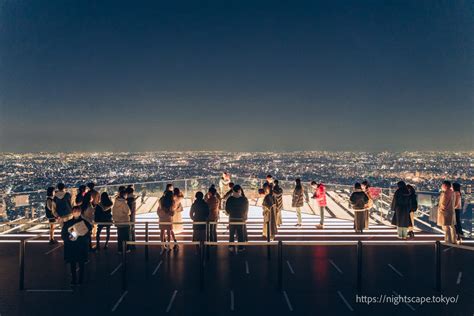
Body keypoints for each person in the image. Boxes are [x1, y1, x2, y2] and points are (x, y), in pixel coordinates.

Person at [61, 206, 92, 286]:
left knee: (76, 264)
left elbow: (64, 235)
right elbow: (88, 234)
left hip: (74, 246)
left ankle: (76, 280)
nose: (76, 212)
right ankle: (76, 280)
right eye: (75, 211)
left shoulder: (68, 223)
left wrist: (69, 238)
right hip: (79, 246)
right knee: (76, 264)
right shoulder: (85, 222)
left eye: (77, 211)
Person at [225, 185, 249, 252]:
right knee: (240, 233)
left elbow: (227, 210)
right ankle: (241, 247)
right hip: (240, 219)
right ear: (239, 190)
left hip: (232, 218)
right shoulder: (244, 199)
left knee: (231, 233)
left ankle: (231, 246)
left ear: (233, 191)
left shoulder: (230, 199)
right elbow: (246, 210)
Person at [112, 188, 131, 254]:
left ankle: (120, 250)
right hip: (125, 222)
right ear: (124, 195)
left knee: (120, 236)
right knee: (127, 236)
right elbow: (128, 212)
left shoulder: (115, 203)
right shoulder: (124, 203)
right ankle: (127, 249)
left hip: (118, 222)